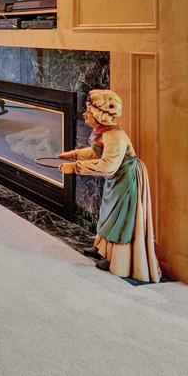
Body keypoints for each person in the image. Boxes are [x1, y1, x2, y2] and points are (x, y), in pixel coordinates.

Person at [57, 89, 161, 282]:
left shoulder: (115, 137)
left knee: (120, 219)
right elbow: (96, 152)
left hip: (127, 180)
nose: (85, 114)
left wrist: (75, 167)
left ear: (99, 115)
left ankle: (117, 259)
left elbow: (107, 165)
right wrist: (73, 154)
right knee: (107, 213)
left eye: (88, 111)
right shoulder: (103, 133)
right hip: (115, 179)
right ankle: (102, 248)